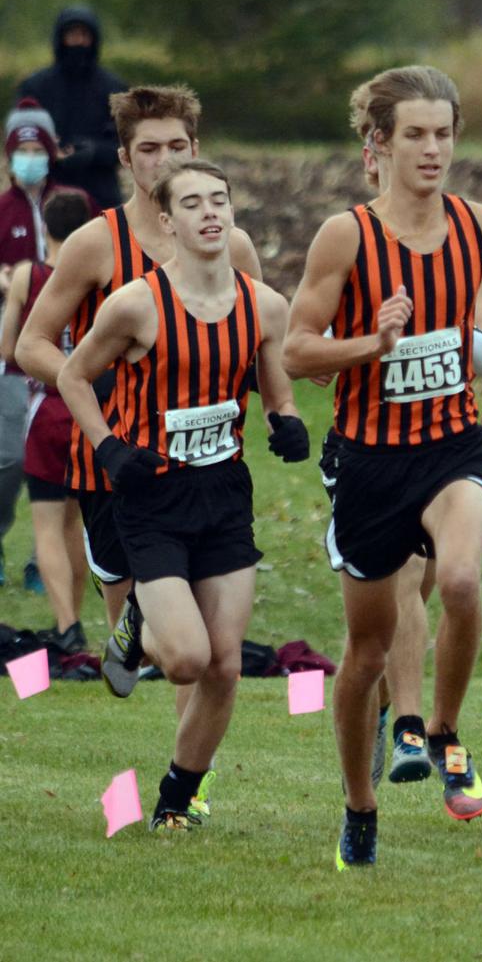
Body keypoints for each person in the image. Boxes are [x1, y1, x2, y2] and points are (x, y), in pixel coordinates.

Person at [282, 65, 482, 869]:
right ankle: (360, 804)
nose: (432, 149)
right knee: (365, 654)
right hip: (369, 462)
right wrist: (374, 344)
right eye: (415, 135)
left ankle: (446, 730)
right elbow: (295, 349)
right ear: (378, 145)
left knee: (459, 580)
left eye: (444, 133)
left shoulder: (480, 223)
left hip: (452, 444)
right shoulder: (345, 236)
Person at [17, 85, 263, 824]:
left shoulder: (234, 242)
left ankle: (187, 793)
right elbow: (32, 342)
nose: (163, 162)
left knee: (205, 652)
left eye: (177, 147)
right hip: (114, 470)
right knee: (166, 638)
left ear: (197, 147)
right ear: (125, 159)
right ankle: (129, 630)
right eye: (148, 149)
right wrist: (108, 401)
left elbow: (260, 336)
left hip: (208, 478)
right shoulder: (98, 243)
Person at [57, 158, 308, 831]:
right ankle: (137, 614)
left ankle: (175, 796)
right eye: (193, 203)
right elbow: (75, 375)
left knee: (224, 664)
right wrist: (108, 446)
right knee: (187, 659)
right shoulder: (136, 303)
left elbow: (275, 385)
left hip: (224, 493)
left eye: (220, 200)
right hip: (152, 495)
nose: (210, 213)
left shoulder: (265, 305)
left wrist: (286, 421)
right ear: (167, 221)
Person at [0, 99, 95, 592]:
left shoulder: (74, 203)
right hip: (16, 356)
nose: (31, 157)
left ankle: (47, 560)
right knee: (9, 458)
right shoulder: (2, 210)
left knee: (68, 473)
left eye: (39, 148)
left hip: (70, 356)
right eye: (23, 149)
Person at [17, 6, 127, 208]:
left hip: (100, 192)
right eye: (72, 34)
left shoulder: (114, 88)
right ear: (60, 38)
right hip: (47, 189)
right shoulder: (35, 86)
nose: (79, 42)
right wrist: (50, 149)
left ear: (94, 40)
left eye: (85, 35)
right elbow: (21, 137)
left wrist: (94, 151)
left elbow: (125, 143)